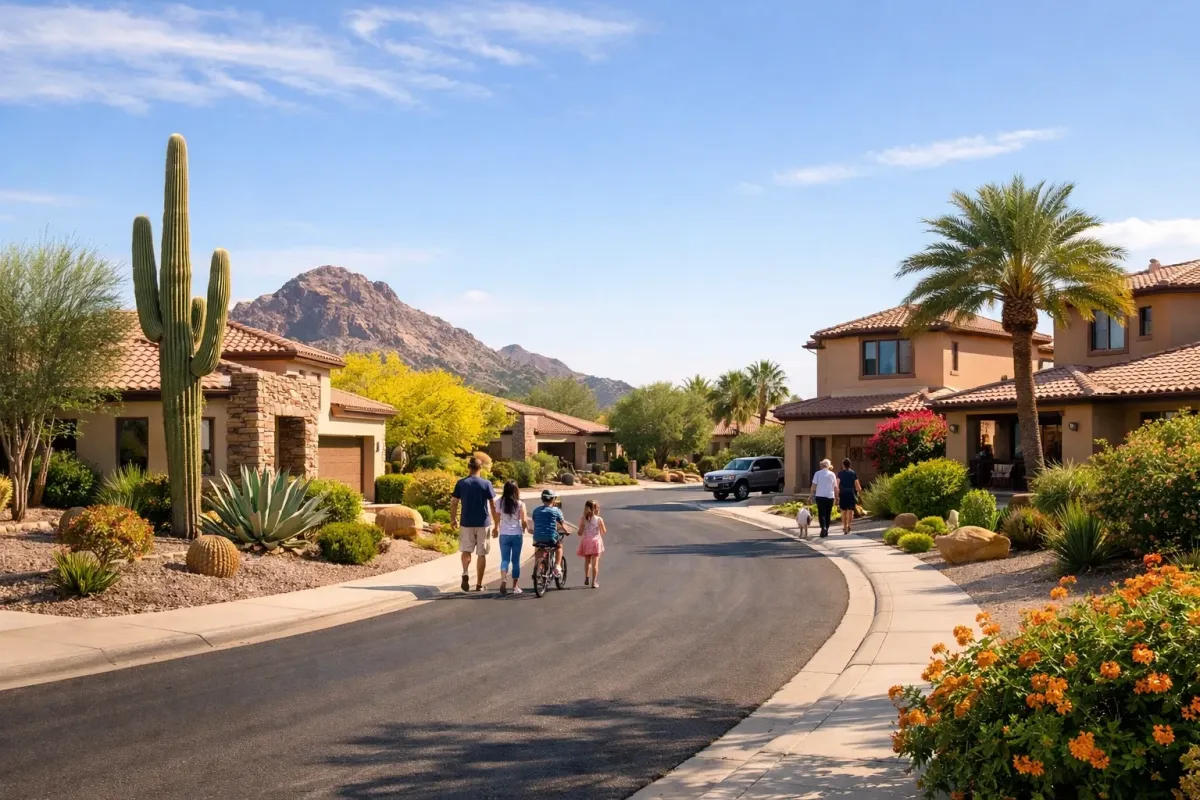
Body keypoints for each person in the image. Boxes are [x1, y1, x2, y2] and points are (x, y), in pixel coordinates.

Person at [450, 456, 497, 592]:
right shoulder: (486, 484)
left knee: (466, 550)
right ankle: (479, 584)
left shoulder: (461, 483)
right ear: (480, 468)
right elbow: (493, 505)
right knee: (481, 554)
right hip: (483, 522)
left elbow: (454, 502)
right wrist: (496, 524)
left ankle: (465, 571)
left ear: (468, 468)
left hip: (466, 522)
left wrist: (453, 519)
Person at [493, 480, 528, 595]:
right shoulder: (520, 504)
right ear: (516, 490)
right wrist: (525, 529)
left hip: (504, 534)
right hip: (516, 534)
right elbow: (524, 521)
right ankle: (515, 586)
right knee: (516, 561)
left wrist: (496, 528)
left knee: (505, 559)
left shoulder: (499, 502)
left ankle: (503, 578)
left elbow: (497, 517)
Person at [531, 488, 568, 579]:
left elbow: (535, 520)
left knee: (540, 549)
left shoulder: (536, 510)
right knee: (559, 546)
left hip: (538, 537)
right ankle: (557, 567)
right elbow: (562, 524)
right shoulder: (556, 510)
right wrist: (567, 532)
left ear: (542, 499)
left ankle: (538, 569)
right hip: (551, 537)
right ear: (553, 499)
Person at [576, 499, 607, 588]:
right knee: (595, 563)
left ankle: (587, 577)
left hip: (586, 541)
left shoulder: (583, 519)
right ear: (597, 508)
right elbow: (603, 531)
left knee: (587, 561)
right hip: (596, 541)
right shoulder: (599, 519)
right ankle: (594, 582)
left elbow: (579, 533)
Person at [810, 459, 837, 537]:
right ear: (828, 466)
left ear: (822, 465)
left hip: (820, 496)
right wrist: (836, 497)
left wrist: (811, 495)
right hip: (830, 496)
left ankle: (823, 528)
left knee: (821, 513)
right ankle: (826, 529)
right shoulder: (832, 474)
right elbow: (835, 487)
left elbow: (813, 486)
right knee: (828, 514)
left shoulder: (817, 474)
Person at [837, 458, 863, 535]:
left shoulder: (840, 473)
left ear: (843, 465)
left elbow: (837, 484)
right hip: (851, 493)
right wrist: (860, 494)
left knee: (843, 511)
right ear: (850, 465)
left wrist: (836, 494)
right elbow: (858, 485)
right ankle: (849, 525)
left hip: (843, 493)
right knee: (850, 511)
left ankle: (844, 527)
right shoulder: (853, 473)